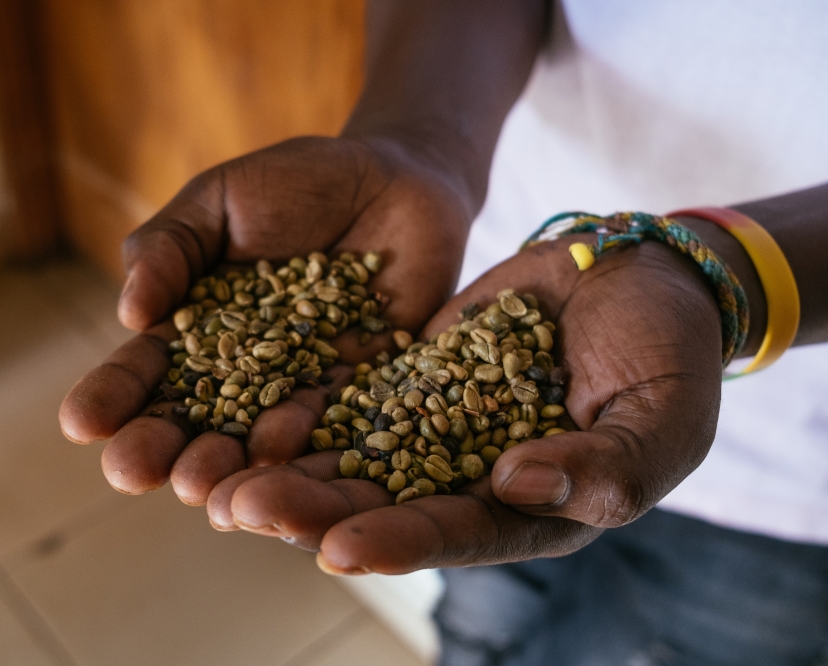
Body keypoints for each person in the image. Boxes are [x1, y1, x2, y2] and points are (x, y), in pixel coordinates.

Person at [59, 1, 828, 664]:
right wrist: (417, 140)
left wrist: (726, 273)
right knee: (480, 633)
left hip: (791, 487)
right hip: (496, 296)